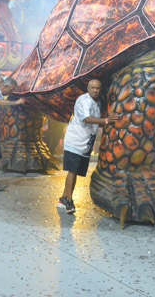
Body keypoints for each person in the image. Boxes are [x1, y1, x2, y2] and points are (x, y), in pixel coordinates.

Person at [57, 79, 115, 214]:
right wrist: (106, 120)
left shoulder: (98, 102)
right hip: (75, 141)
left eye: (98, 88)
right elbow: (86, 118)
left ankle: (63, 198)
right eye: (93, 88)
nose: (95, 90)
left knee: (75, 171)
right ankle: (69, 202)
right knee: (72, 171)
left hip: (85, 142)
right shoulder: (83, 100)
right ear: (88, 89)